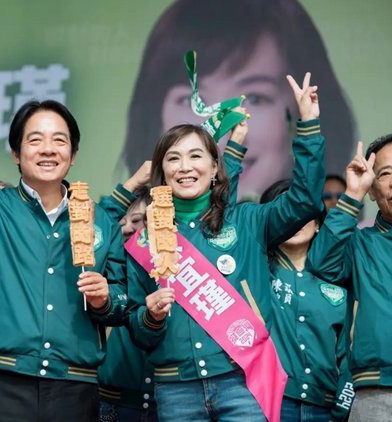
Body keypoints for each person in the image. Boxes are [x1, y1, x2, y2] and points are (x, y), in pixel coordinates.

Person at [0, 63, 127, 421]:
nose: (48, 149)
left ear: (73, 155)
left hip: (75, 385)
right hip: (3, 382)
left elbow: (124, 300)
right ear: (16, 153)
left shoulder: (100, 221)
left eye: (59, 140)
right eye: (35, 140)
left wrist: (105, 298)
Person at [125, 73, 324, 421]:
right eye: (173, 159)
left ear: (215, 166)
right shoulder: (146, 239)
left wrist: (308, 125)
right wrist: (150, 317)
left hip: (242, 379)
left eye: (196, 156)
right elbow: (137, 329)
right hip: (176, 388)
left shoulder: (247, 220)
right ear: (161, 171)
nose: (185, 167)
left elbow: (305, 201)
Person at [124, 0, 354, 199]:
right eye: (192, 101)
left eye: (254, 98)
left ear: (295, 114)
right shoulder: (139, 228)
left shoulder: (268, 220)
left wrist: (310, 125)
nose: (223, 136)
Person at [98, 125, 249, 422]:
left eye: (140, 220)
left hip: (174, 386)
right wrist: (132, 184)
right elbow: (94, 230)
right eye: (124, 221)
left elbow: (219, 203)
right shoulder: (127, 253)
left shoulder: (180, 240)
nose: (131, 227)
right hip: (126, 391)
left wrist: (234, 149)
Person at [307, 133, 392, 421]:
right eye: (384, 174)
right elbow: (320, 263)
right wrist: (352, 194)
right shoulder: (358, 244)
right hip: (373, 396)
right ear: (372, 190)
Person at [261, 179, 353, 421]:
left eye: (302, 210)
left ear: (319, 223)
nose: (294, 219)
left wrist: (342, 408)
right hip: (270, 404)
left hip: (327, 407)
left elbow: (350, 353)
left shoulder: (339, 275)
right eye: (285, 210)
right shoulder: (255, 270)